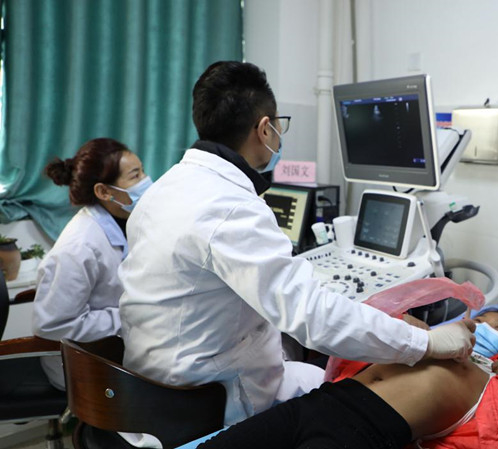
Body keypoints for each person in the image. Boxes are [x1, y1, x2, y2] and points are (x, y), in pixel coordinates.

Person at [118, 61, 475, 431]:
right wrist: (425, 342)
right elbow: (313, 315)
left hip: (150, 388)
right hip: (207, 403)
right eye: (279, 125)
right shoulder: (232, 208)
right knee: (365, 393)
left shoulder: (164, 189)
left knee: (320, 368)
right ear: (265, 129)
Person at [197, 306, 498, 449]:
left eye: (497, 327)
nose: (482, 326)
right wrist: (403, 329)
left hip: (363, 429)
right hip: (318, 404)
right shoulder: (430, 341)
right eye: (480, 319)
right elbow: (347, 354)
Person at [32, 137, 151, 389]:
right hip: (80, 366)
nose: (146, 181)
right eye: (135, 176)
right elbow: (53, 325)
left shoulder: (125, 222)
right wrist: (131, 315)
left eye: (142, 171)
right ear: (104, 192)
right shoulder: (79, 247)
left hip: (117, 349)